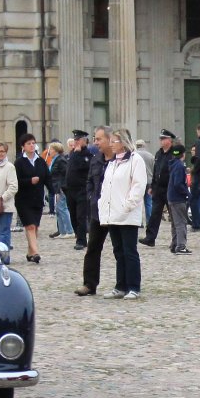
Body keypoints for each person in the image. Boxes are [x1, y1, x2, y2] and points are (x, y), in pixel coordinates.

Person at [98, 129, 144, 299]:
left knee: (129, 251)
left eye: (114, 141)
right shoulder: (112, 162)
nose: (111, 144)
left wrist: (128, 205)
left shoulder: (135, 160)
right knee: (118, 251)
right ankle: (121, 285)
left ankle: (134, 286)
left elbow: (138, 185)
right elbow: (106, 187)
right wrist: (102, 205)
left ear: (123, 142)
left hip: (127, 214)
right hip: (113, 213)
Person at [76, 126, 113, 296]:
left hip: (115, 210)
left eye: (99, 139)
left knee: (120, 249)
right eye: (95, 139)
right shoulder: (96, 159)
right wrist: (91, 197)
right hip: (98, 211)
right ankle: (89, 284)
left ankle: (124, 284)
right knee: (92, 248)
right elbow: (90, 180)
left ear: (109, 139)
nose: (95, 142)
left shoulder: (119, 160)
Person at [143, 130, 183, 246]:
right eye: (160, 139)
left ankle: (176, 240)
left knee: (173, 216)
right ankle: (150, 238)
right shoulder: (158, 153)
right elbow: (156, 170)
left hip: (169, 188)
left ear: (170, 140)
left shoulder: (174, 153)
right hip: (158, 189)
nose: (161, 141)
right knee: (155, 214)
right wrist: (152, 186)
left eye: (163, 139)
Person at [14, 135, 49, 263]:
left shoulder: (41, 161)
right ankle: (36, 252)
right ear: (23, 146)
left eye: (33, 143)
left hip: (37, 199)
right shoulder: (19, 162)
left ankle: (30, 253)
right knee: (30, 226)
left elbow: (47, 177)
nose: (32, 145)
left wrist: (54, 190)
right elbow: (15, 181)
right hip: (23, 199)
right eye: (28, 143)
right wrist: (29, 181)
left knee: (35, 226)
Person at [65, 131, 92, 249]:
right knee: (73, 215)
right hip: (70, 189)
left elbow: (81, 166)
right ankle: (78, 235)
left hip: (82, 189)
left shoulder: (87, 154)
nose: (76, 142)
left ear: (84, 141)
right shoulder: (73, 153)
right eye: (75, 139)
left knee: (81, 216)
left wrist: (76, 153)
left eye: (78, 139)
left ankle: (81, 240)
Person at [166, 140, 192, 254]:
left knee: (175, 223)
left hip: (171, 197)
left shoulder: (172, 164)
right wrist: (187, 193)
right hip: (178, 198)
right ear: (183, 154)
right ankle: (181, 246)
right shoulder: (180, 166)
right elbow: (178, 183)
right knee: (181, 222)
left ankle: (175, 244)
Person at [45, 142, 72, 237]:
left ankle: (69, 231)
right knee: (58, 209)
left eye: (51, 149)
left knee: (62, 208)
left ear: (56, 150)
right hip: (55, 187)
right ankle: (62, 231)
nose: (49, 151)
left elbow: (65, 174)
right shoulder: (54, 160)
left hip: (60, 188)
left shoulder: (60, 160)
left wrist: (61, 187)